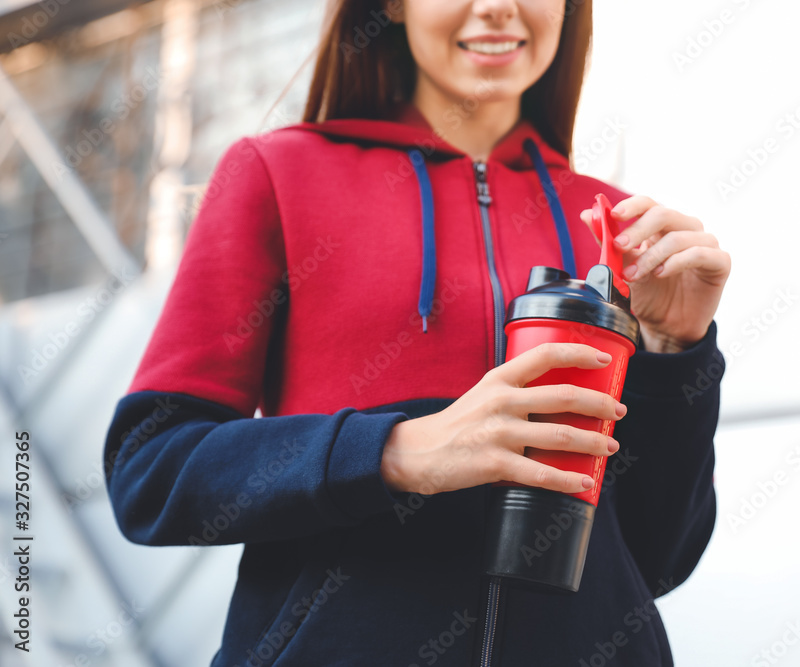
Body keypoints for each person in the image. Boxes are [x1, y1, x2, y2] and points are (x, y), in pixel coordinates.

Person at [102, 0, 731, 665]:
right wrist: (395, 451)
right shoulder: (277, 173)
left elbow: (656, 556)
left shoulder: (615, 227)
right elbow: (149, 470)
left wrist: (676, 350)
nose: (497, 8)